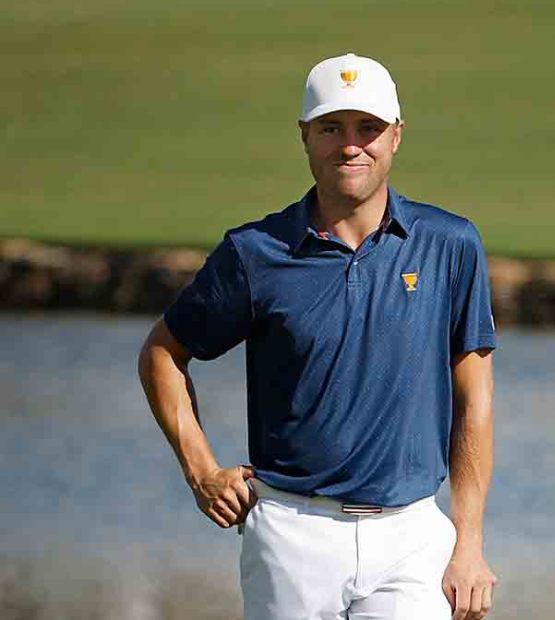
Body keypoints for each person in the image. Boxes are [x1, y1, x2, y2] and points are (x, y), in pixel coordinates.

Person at [138, 53, 498, 620]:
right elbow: (163, 353)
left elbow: (473, 401)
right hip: (289, 533)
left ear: (396, 137)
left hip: (411, 534)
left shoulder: (450, 244)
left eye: (368, 128)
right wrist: (202, 471)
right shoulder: (254, 252)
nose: (350, 145)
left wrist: (470, 543)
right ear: (305, 136)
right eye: (331, 128)